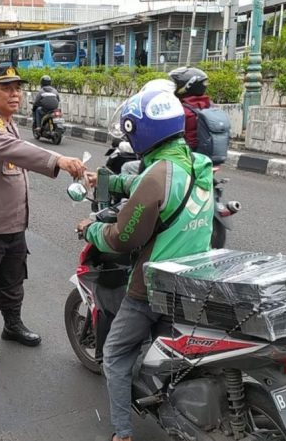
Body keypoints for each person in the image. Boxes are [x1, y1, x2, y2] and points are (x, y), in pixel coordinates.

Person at [75, 89, 214, 441]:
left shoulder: (156, 176)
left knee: (116, 352)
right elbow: (148, 185)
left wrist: (90, 228)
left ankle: (122, 432)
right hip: (196, 278)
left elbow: (124, 238)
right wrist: (106, 179)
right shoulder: (196, 164)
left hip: (154, 286)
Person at [0, 66, 86, 365]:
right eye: (6, 88)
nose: (15, 94)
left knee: (13, 281)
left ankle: (12, 326)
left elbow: (22, 151)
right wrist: (59, 159)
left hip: (12, 225)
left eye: (18, 88)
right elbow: (19, 151)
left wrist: (77, 170)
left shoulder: (8, 123)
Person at [169, 67, 212, 152]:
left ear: (187, 85)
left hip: (187, 156)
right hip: (207, 154)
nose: (174, 87)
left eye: (176, 84)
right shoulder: (210, 105)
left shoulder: (182, 111)